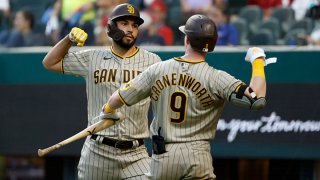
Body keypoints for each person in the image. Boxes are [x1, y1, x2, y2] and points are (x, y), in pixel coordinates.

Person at [100, 14, 277, 179]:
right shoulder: (217, 77)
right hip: (198, 157)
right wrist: (258, 61)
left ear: (187, 39)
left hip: (164, 157)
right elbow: (257, 99)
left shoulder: (159, 69)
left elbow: (119, 97)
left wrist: (108, 110)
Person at [42, 3, 162, 180]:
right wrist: (69, 39)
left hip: (136, 154)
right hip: (97, 152)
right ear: (111, 27)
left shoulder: (152, 61)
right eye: (124, 23)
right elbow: (49, 62)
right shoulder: (92, 57)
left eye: (135, 25)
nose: (130, 29)